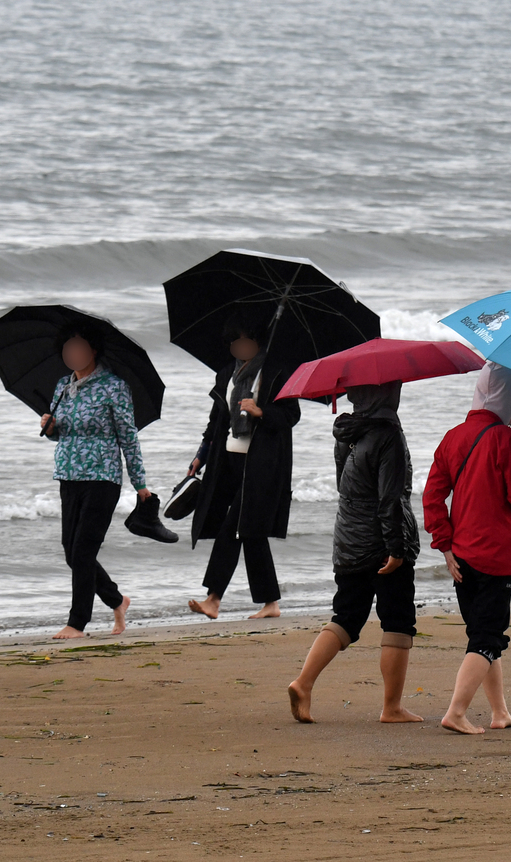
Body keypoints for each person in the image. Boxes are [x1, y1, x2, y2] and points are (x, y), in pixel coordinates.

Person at [287, 382, 423, 724]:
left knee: (346, 616)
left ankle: (303, 682)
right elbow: (389, 498)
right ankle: (391, 707)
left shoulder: (347, 430)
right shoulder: (388, 434)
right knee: (398, 620)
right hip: (381, 542)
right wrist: (396, 547)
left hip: (348, 537)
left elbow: (344, 486)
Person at [423, 363, 511, 735]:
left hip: (462, 557)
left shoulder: (453, 437)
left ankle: (499, 712)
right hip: (496, 555)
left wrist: (444, 545)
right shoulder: (510, 441)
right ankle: (456, 712)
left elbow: (432, 497)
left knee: (481, 635)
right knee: (488, 637)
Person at [185, 309, 301, 620]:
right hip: (227, 461)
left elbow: (291, 416)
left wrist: (261, 411)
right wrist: (202, 454)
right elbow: (216, 419)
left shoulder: (276, 373)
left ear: (258, 342)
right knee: (249, 531)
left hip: (262, 465)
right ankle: (271, 603)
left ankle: (213, 598)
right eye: (235, 344)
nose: (241, 349)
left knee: (232, 528)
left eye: (246, 342)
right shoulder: (226, 374)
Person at [40, 321, 149, 639]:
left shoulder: (114, 387)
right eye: (67, 348)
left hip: (102, 477)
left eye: (79, 347)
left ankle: (77, 623)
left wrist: (140, 483)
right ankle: (117, 600)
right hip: (68, 475)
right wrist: (50, 427)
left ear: (93, 350)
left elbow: (129, 437)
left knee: (84, 551)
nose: (72, 353)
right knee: (70, 551)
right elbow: (59, 433)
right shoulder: (63, 385)